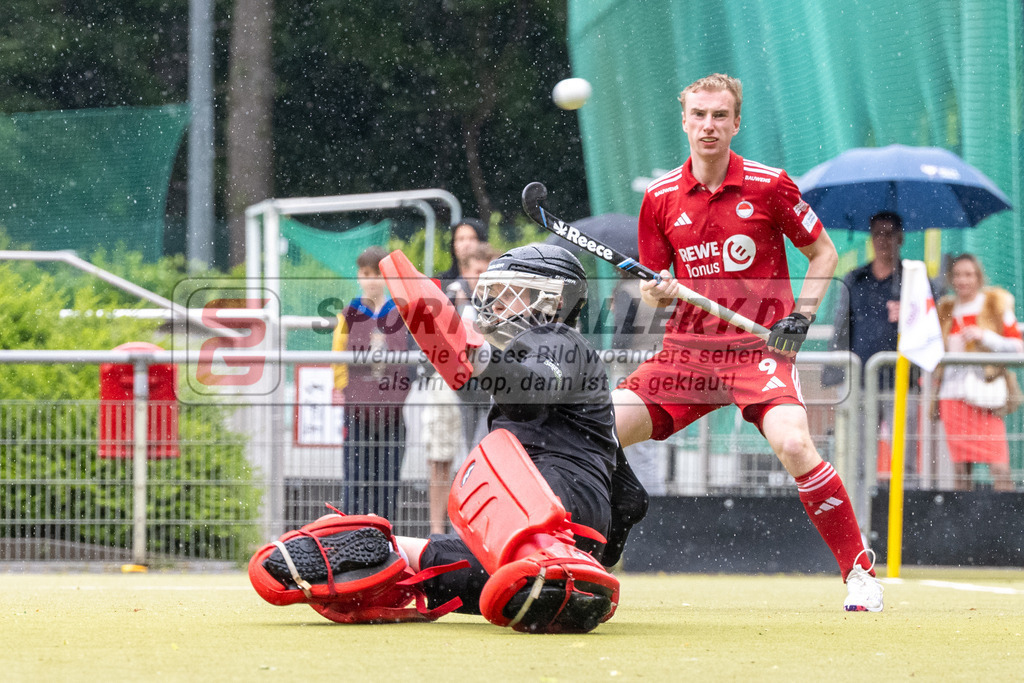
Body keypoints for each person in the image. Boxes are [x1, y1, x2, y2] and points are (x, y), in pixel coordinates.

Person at [251, 245, 649, 633]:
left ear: (554, 300)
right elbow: (630, 498)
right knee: (431, 563)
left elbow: (530, 396)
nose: (494, 305)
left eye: (509, 293)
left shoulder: (558, 338)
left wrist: (477, 356)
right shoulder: (548, 357)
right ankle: (393, 553)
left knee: (493, 475)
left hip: (554, 517)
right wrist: (601, 552)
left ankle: (547, 564)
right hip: (560, 535)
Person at [611, 73, 883, 611]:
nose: (708, 125)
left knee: (796, 445)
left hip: (759, 353)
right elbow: (653, 288)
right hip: (686, 353)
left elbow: (824, 254)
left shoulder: (768, 185)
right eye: (699, 115)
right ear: (684, 121)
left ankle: (858, 573)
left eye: (719, 116)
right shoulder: (661, 197)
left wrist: (800, 321)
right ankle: (589, 543)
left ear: (736, 122)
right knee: (597, 430)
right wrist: (657, 290)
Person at [824, 212, 923, 480]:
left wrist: (908, 316)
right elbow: (841, 327)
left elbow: (929, 323)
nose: (883, 239)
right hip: (861, 380)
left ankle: (907, 517)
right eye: (878, 233)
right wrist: (837, 372)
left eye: (890, 233)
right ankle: (860, 518)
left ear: (900, 238)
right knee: (857, 458)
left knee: (905, 461)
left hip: (902, 380)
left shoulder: (914, 280)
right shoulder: (854, 279)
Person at [332, 246, 410, 519]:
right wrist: (343, 388)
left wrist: (401, 393)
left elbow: (409, 361)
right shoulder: (349, 313)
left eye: (378, 273)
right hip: (357, 409)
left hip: (392, 412)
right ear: (359, 276)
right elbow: (338, 353)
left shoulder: (400, 313)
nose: (372, 279)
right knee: (356, 474)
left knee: (388, 477)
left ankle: (384, 531)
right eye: (366, 273)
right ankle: (352, 528)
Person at [934, 253, 1023, 491]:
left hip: (986, 397)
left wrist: (985, 337)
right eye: (958, 275)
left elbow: (1017, 347)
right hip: (953, 397)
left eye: (969, 274)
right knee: (961, 472)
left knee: (1000, 468)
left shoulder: (995, 304)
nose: (963, 280)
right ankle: (962, 525)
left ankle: (1007, 523)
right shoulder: (945, 310)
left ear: (979, 277)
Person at [436, 217, 488, 304]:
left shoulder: (494, 283)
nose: (466, 244)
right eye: (461, 239)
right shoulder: (441, 282)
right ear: (453, 245)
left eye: (472, 238)